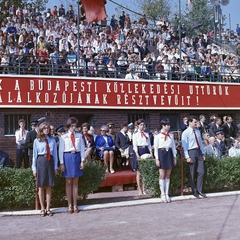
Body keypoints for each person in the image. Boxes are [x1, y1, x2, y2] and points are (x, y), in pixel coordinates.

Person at [59, 117, 85, 214]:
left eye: (75, 126)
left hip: (76, 157)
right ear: (68, 126)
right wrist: (62, 163)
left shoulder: (79, 136)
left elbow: (82, 149)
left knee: (75, 182)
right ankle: (69, 205)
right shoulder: (63, 137)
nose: (74, 128)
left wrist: (82, 161)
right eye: (72, 126)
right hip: (67, 157)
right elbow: (60, 151)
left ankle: (75, 204)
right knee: (68, 181)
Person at [32, 121, 58, 217]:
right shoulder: (37, 141)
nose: (47, 130)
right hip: (41, 161)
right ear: (41, 130)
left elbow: (55, 155)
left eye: (48, 128)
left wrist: (55, 167)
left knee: (49, 186)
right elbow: (34, 156)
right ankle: (42, 208)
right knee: (41, 186)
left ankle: (48, 208)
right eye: (45, 128)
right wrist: (34, 168)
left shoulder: (53, 140)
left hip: (50, 162)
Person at [181, 115, 207, 199]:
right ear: (190, 122)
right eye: (195, 122)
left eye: (197, 122)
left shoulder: (198, 131)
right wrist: (187, 156)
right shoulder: (185, 132)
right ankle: (194, 190)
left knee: (201, 171)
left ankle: (200, 189)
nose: (196, 123)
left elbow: (200, 142)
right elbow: (184, 145)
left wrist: (203, 153)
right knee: (192, 172)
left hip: (198, 151)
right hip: (191, 151)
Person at [154, 118, 177, 203]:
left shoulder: (171, 135)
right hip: (161, 153)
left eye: (169, 125)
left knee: (168, 174)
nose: (168, 127)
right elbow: (156, 148)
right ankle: (162, 194)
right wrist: (157, 159)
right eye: (167, 125)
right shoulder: (158, 136)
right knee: (162, 174)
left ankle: (167, 193)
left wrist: (174, 157)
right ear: (163, 126)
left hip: (169, 153)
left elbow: (173, 147)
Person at [132, 119, 153, 195]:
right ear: (137, 126)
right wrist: (137, 155)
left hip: (146, 150)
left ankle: (144, 188)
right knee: (139, 172)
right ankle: (139, 189)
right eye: (141, 125)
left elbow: (149, 145)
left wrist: (151, 153)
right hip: (139, 151)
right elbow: (134, 146)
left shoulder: (146, 134)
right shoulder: (135, 134)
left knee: (144, 171)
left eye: (143, 125)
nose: (142, 126)